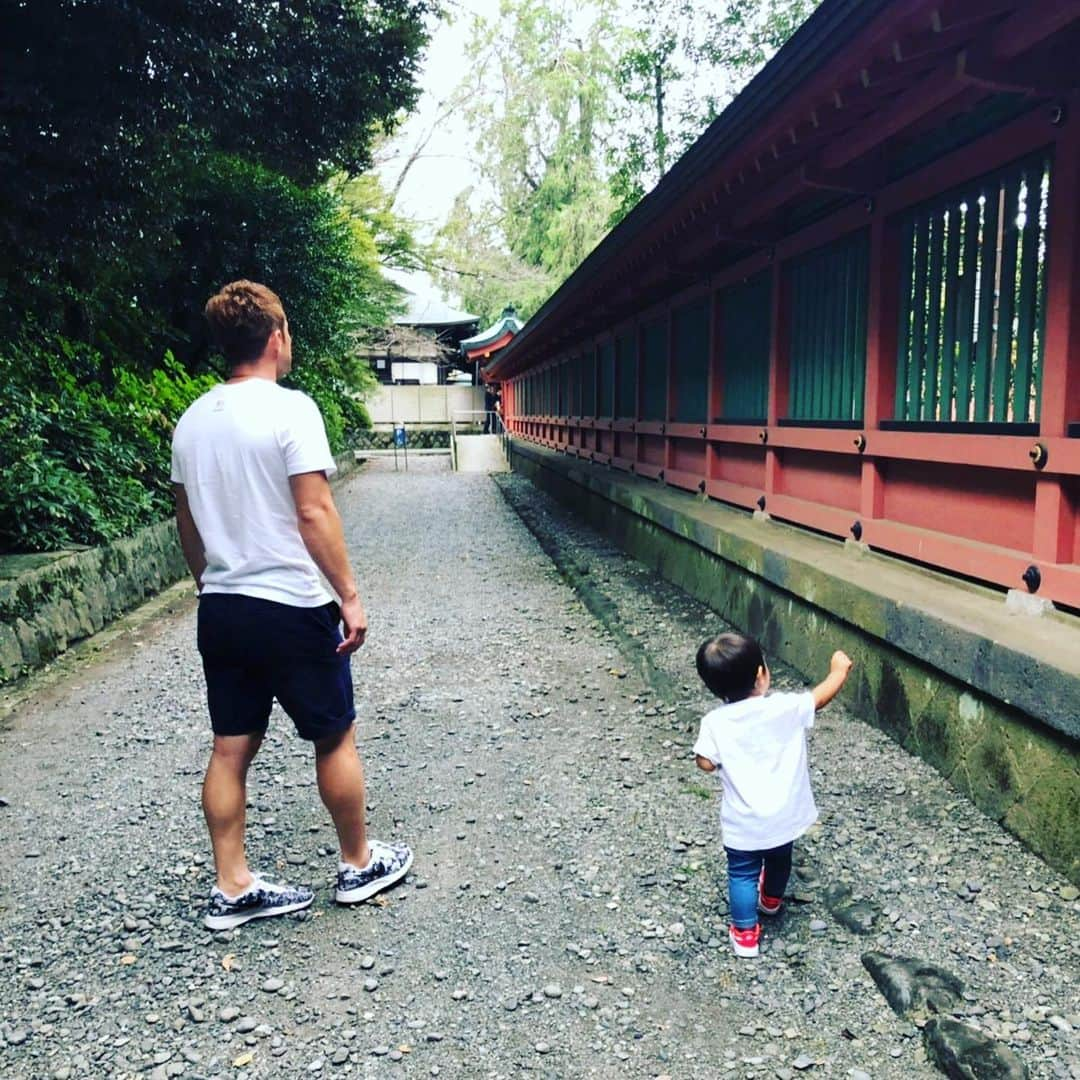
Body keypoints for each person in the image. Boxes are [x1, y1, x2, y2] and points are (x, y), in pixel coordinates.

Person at [171, 280, 412, 931]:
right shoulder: (290, 409)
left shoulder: (192, 421)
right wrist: (350, 595)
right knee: (333, 734)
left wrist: (208, 583)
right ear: (276, 336)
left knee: (230, 748)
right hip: (291, 604)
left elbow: (187, 525)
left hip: (222, 605)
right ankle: (358, 864)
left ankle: (232, 886)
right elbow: (313, 510)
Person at [692, 632, 852, 957]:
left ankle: (746, 934)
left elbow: (705, 762)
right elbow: (819, 698)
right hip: (784, 816)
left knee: (742, 874)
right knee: (780, 861)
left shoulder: (715, 723)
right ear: (761, 675)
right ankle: (771, 901)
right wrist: (839, 671)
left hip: (743, 824)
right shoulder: (783, 708)